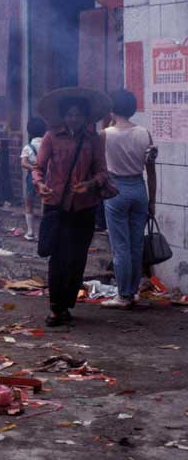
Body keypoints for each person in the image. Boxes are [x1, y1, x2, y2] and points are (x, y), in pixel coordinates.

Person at [32, 88, 111, 327]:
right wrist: (40, 185)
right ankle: (56, 308)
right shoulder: (51, 137)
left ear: (85, 117)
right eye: (69, 114)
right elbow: (38, 168)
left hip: (85, 207)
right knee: (57, 258)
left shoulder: (93, 140)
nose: (73, 119)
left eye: (77, 114)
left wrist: (91, 183)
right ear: (63, 116)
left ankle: (67, 304)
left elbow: (102, 172)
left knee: (77, 259)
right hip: (56, 206)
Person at [101, 89, 158, 309]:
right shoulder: (144, 133)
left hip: (116, 189)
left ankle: (123, 295)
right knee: (135, 245)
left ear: (112, 109)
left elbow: (99, 165)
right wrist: (152, 200)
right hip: (139, 189)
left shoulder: (106, 134)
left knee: (120, 246)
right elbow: (151, 171)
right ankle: (132, 292)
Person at [20, 117, 47, 241]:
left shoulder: (28, 147)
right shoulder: (47, 144)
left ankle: (30, 232)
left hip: (32, 177)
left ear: (29, 132)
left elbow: (23, 163)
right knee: (45, 202)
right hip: (47, 176)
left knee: (29, 202)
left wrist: (32, 168)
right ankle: (44, 231)